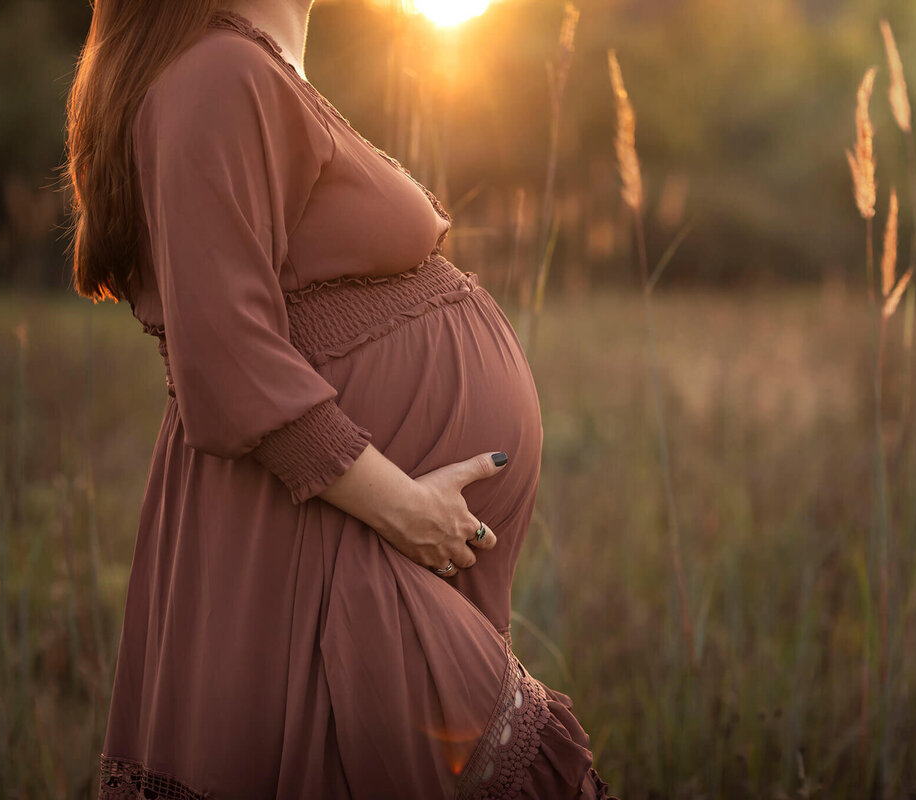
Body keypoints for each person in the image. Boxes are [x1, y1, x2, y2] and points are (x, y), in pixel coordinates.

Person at [61, 1, 616, 797]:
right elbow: (223, 357)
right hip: (330, 535)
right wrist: (405, 510)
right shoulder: (218, 76)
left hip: (354, 533)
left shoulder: (250, 67)